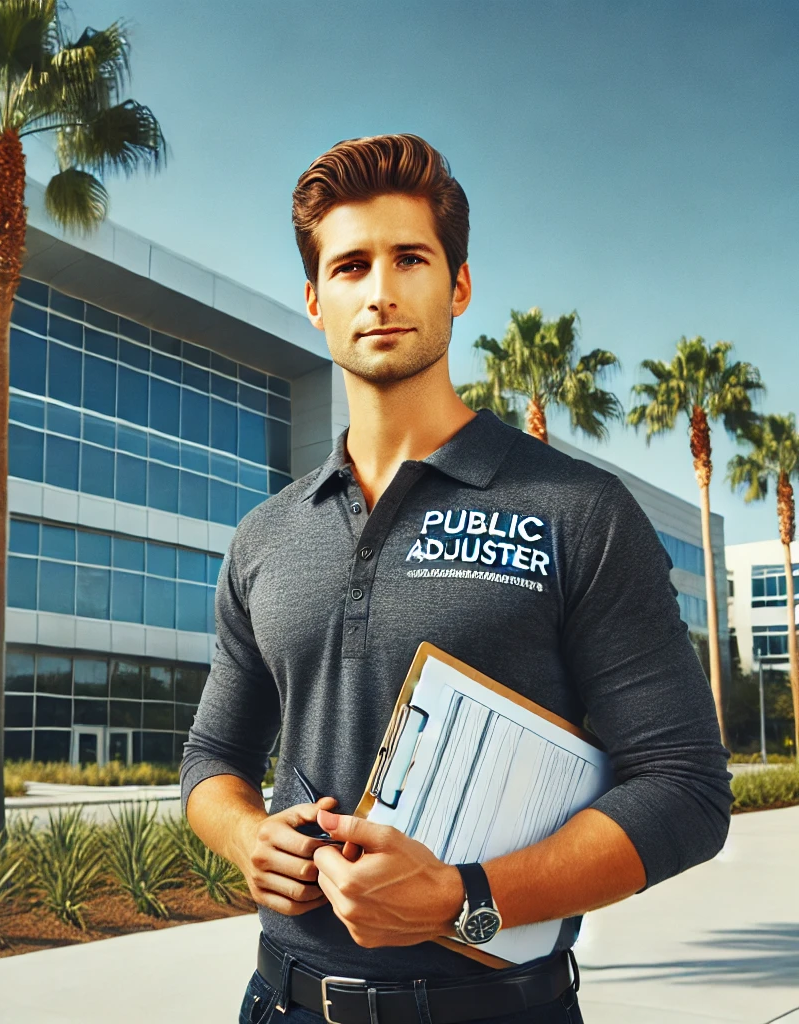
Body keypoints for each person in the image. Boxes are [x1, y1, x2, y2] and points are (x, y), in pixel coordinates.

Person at [180, 133, 732, 1024]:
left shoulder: (578, 511)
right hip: (281, 1002)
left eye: (411, 258)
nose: (383, 291)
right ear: (316, 302)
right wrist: (249, 838)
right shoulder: (263, 537)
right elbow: (212, 758)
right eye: (352, 266)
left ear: (459, 285)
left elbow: (686, 788)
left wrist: (460, 894)